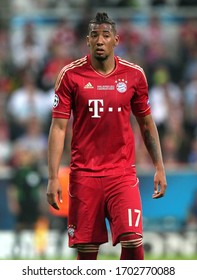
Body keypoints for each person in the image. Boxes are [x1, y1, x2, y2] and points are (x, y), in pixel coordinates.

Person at [46, 12, 167, 260]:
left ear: (116, 40)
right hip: (84, 176)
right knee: (88, 254)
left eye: (105, 35)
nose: (100, 40)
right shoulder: (70, 75)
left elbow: (146, 123)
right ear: (87, 41)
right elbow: (58, 128)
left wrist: (159, 166)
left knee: (134, 242)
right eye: (94, 35)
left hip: (121, 174)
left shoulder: (134, 75)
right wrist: (52, 177)